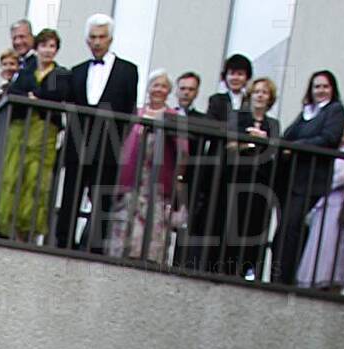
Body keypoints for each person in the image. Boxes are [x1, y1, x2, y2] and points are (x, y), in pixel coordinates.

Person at [56, 15, 140, 252]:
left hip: (108, 144)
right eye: (93, 37)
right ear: (87, 41)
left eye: (102, 37)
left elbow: (128, 109)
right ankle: (64, 243)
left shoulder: (128, 70)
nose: (97, 42)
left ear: (110, 39)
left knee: (103, 197)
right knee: (71, 194)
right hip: (78, 142)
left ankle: (97, 247)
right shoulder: (77, 71)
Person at [274, 71, 344, 285]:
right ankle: (279, 275)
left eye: (325, 86)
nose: (320, 91)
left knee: (292, 228)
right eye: (316, 87)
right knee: (284, 229)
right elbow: (288, 135)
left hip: (311, 180)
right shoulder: (308, 112)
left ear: (332, 89)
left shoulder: (334, 110)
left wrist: (297, 147)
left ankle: (284, 279)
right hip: (293, 179)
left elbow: (329, 138)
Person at [107, 72, 187, 264]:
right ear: (149, 88)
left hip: (157, 186)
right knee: (125, 226)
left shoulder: (173, 117)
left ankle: (149, 263)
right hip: (131, 183)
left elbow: (183, 151)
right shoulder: (136, 113)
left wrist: (178, 177)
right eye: (155, 85)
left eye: (163, 86)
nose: (158, 89)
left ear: (169, 91)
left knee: (153, 229)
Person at [0, 26, 66, 242]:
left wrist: (36, 97)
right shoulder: (26, 70)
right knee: (14, 175)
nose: (48, 50)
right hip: (20, 131)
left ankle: (28, 233)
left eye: (52, 46)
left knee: (36, 180)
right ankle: (10, 230)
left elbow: (59, 95)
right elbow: (13, 91)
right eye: (44, 45)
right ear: (37, 48)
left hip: (44, 132)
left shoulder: (61, 74)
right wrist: (33, 97)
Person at [188, 50, 254, 269]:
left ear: (246, 77)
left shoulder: (250, 102)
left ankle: (228, 264)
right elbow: (212, 125)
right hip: (218, 164)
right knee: (212, 212)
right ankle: (205, 262)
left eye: (240, 74)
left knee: (235, 213)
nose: (235, 78)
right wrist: (236, 133)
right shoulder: (217, 100)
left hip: (241, 167)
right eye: (232, 73)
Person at [296, 116, 344, 289]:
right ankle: (309, 280)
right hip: (321, 201)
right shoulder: (333, 149)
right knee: (315, 243)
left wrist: (320, 182)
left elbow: (341, 175)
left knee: (331, 244)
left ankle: (327, 282)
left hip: (337, 201)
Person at [224, 77, 281, 278]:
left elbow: (274, 149)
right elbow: (230, 144)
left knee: (256, 225)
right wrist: (251, 143)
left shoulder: (272, 124)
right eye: (257, 91)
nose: (260, 95)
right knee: (234, 222)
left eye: (264, 92)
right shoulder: (238, 116)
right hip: (238, 177)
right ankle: (228, 268)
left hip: (261, 181)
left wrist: (262, 141)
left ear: (270, 98)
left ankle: (249, 270)